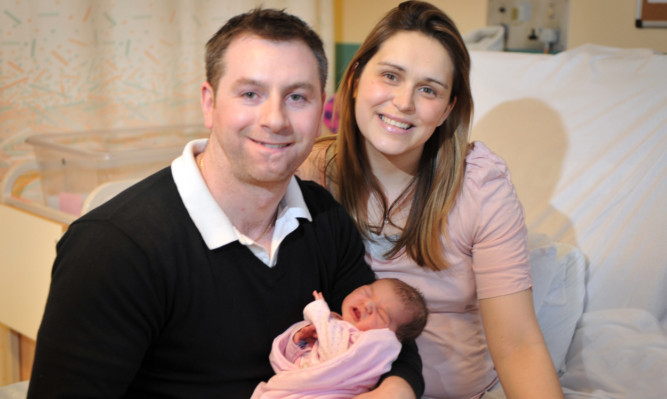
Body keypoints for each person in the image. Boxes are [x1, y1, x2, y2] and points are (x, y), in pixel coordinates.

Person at [27, 8, 424, 399]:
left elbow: (388, 339)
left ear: (321, 109)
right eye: (250, 93)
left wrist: (396, 392)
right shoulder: (114, 249)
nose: (275, 119)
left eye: (297, 97)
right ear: (209, 102)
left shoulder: (323, 217)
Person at [297, 1, 564, 398]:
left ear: (448, 108)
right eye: (390, 76)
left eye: (428, 89)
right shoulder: (309, 174)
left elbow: (517, 345)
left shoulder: (479, 187)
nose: (404, 103)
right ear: (354, 78)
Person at [252, 278, 428, 398]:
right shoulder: (337, 328)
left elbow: (336, 357)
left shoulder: (373, 346)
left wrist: (320, 315)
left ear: (391, 335)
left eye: (381, 314)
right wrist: (298, 340)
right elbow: (284, 362)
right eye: (366, 292)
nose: (368, 304)